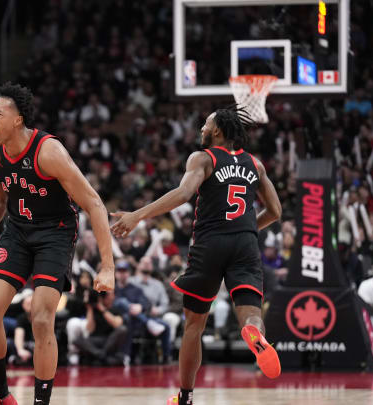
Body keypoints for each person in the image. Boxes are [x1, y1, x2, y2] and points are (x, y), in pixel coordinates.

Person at [0, 82, 115, 405]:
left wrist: (107, 265)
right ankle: (1, 397)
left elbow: (94, 203)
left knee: (41, 318)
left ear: (18, 119)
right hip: (18, 232)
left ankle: (41, 402)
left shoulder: (48, 152)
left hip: (55, 233)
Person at [111, 105, 283, 405]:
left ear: (217, 131)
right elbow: (276, 212)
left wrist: (138, 215)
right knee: (250, 311)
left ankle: (186, 397)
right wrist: (242, 229)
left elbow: (183, 193)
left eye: (205, 124)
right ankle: (254, 332)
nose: (201, 128)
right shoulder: (256, 165)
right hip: (245, 242)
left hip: (210, 242)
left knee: (194, 324)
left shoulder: (203, 158)